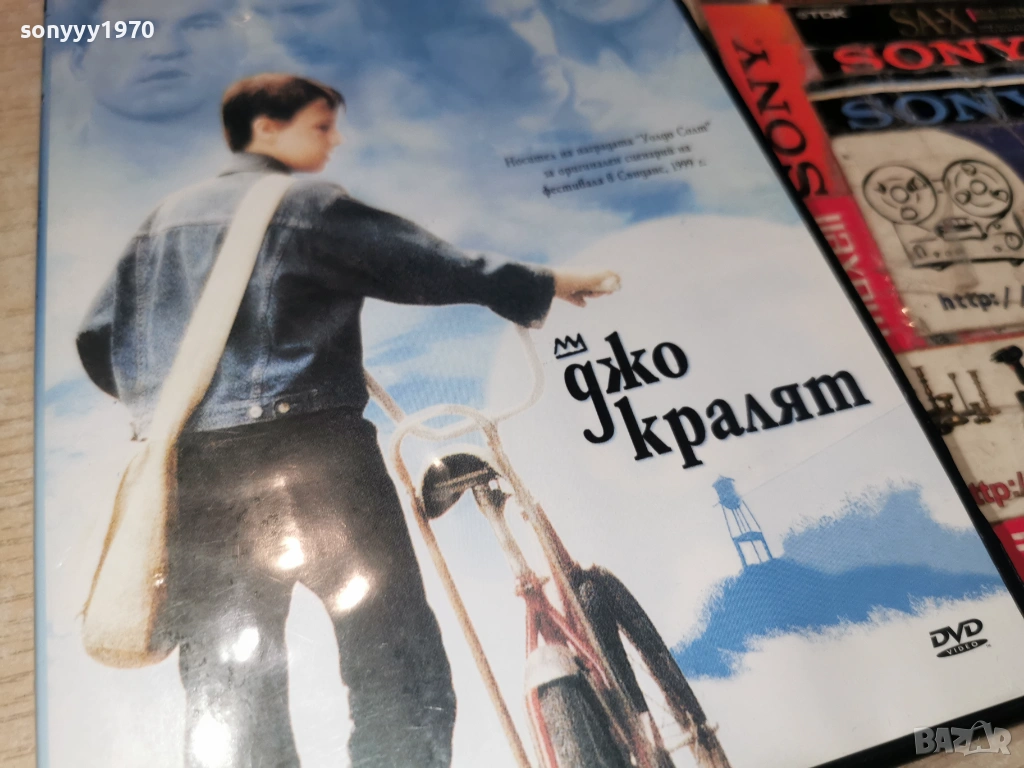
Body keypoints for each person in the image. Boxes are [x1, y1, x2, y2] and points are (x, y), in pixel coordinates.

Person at [76, 73, 618, 768]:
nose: (333, 141)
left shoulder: (162, 220)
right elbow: (423, 264)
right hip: (315, 454)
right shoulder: (302, 204)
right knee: (394, 660)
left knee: (231, 684)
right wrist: (546, 283)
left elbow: (98, 341)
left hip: (196, 472)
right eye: (320, 125)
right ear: (266, 128)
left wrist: (172, 400)